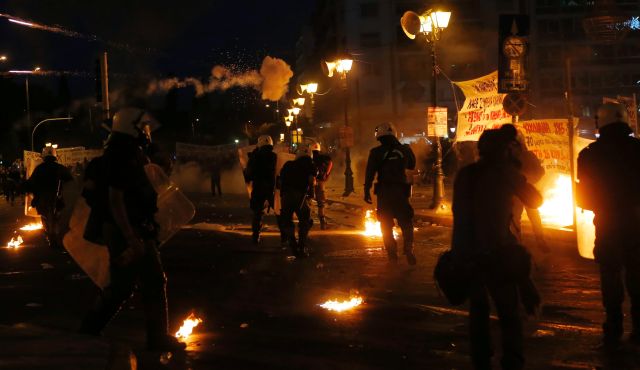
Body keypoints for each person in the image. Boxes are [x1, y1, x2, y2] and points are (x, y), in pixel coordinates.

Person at [79, 107, 185, 352]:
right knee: (150, 281)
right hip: (127, 230)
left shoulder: (127, 152)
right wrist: (131, 237)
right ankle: (155, 338)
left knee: (124, 287)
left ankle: (89, 330)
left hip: (131, 228)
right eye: (142, 126)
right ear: (131, 127)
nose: (146, 131)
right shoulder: (122, 154)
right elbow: (116, 199)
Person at [452, 128, 543, 370]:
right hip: (498, 254)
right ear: (504, 151)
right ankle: (512, 362)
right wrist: (516, 171)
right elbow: (536, 200)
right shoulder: (505, 173)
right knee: (509, 314)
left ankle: (481, 362)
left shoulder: (465, 174)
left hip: (468, 254)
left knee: (478, 313)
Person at [577, 102, 640, 348]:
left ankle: (613, 327)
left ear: (601, 123)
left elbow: (585, 196)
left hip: (608, 224)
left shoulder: (590, 154)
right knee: (637, 274)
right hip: (637, 223)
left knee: (610, 275)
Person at [363, 122, 417, 265]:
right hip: (401, 190)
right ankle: (409, 249)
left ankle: (392, 253)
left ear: (379, 137)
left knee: (385, 224)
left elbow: (370, 173)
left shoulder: (375, 152)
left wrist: (366, 190)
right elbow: (412, 165)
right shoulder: (405, 149)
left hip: (384, 192)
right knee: (406, 222)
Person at [501, 124, 550, 254]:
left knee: (530, 216)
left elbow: (540, 171)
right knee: (517, 217)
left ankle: (538, 241)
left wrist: (529, 181)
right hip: (519, 193)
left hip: (525, 191)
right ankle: (519, 244)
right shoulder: (510, 158)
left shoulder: (526, 156)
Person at [23, 145, 73, 248]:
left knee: (45, 217)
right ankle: (54, 235)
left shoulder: (39, 169)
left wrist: (26, 187)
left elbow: (31, 183)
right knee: (56, 216)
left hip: (44, 199)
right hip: (55, 198)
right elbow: (70, 180)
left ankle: (50, 235)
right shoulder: (59, 168)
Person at [279, 144, 316, 257]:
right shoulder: (310, 165)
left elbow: (280, 180)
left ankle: (292, 244)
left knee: (287, 221)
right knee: (305, 220)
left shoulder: (288, 165)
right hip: (300, 196)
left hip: (286, 196)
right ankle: (302, 246)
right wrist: (311, 194)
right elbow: (311, 180)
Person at [244, 135, 277, 244]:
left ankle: (255, 236)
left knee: (257, 213)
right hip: (272, 188)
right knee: (280, 211)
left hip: (258, 187)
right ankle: (286, 236)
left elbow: (249, 174)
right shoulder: (275, 156)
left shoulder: (254, 157)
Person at [310, 141, 333, 230]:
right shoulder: (324, 158)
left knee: (308, 202)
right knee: (321, 204)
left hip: (311, 182)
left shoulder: (309, 158)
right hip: (320, 182)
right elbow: (330, 162)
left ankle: (307, 221)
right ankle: (322, 222)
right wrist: (326, 174)